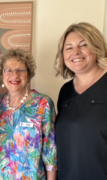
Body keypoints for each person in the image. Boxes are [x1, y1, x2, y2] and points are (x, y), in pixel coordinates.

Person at [0, 48, 57, 180]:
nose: (14, 75)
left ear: (28, 74)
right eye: (8, 70)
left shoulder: (43, 103)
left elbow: (50, 149)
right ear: (2, 75)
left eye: (20, 70)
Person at [54, 22, 107, 180]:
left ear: (97, 48)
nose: (76, 52)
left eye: (83, 45)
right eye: (69, 48)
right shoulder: (65, 91)